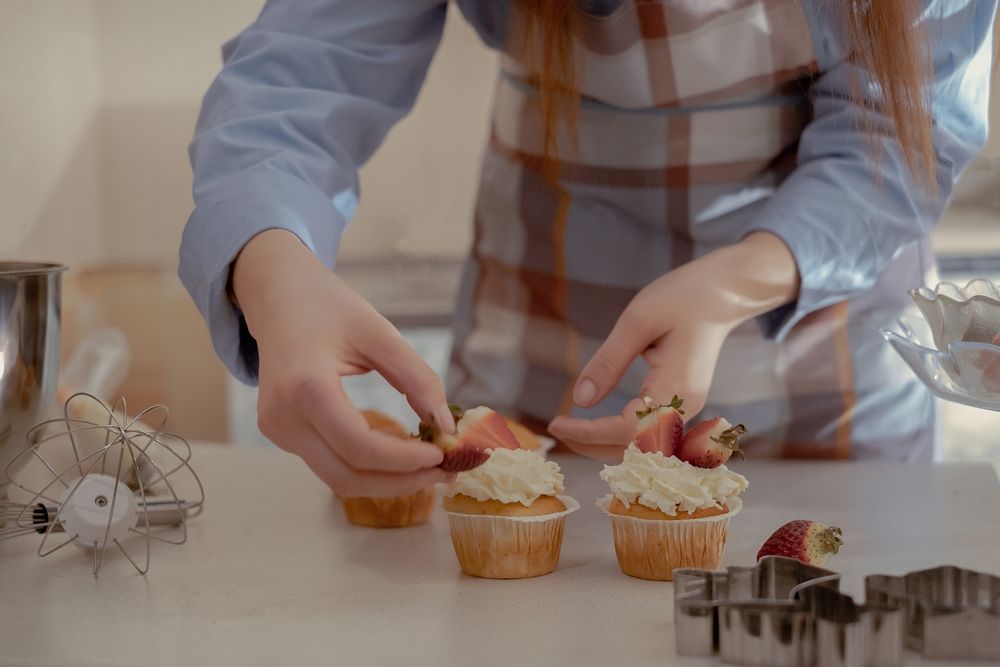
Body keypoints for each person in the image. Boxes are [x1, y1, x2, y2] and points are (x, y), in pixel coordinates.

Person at [180, 0, 996, 496]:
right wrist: (271, 264)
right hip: (534, 370)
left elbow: (898, 134)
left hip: (834, 396)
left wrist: (742, 279)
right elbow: (303, 73)